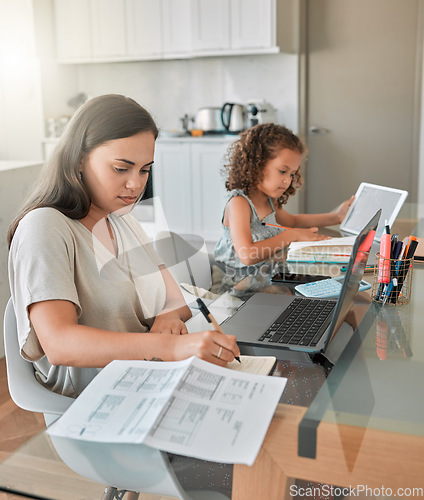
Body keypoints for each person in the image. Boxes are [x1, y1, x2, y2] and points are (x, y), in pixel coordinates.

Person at [7, 94, 240, 400]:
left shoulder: (121, 220)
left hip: (145, 378)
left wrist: (167, 320)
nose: (136, 184)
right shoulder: (45, 226)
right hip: (93, 400)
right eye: (121, 168)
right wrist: (170, 347)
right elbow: (60, 343)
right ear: (78, 159)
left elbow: (173, 298)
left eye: (145, 170)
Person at [214, 123, 354, 278]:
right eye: (282, 171)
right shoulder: (239, 203)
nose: (287, 181)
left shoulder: (268, 200)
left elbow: (292, 221)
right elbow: (247, 255)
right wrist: (291, 236)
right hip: (236, 282)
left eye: (292, 174)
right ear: (256, 165)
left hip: (264, 275)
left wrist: (336, 217)